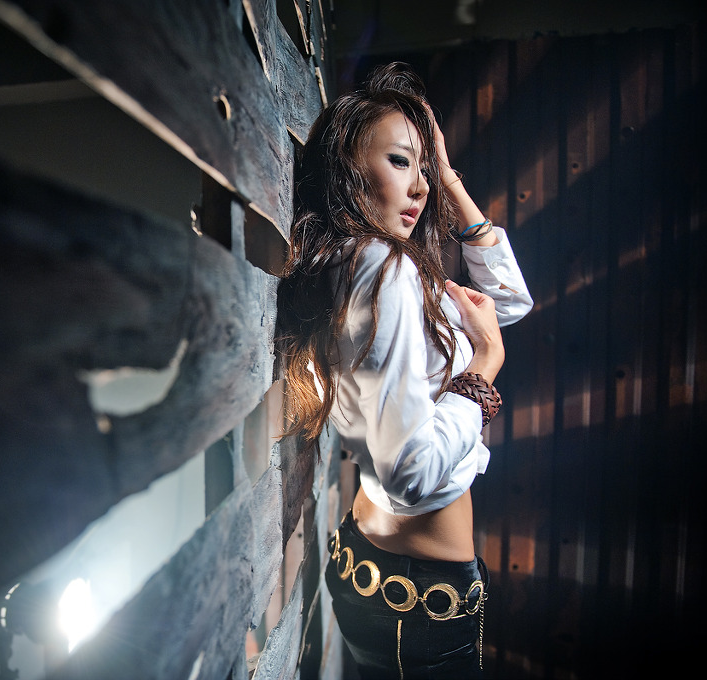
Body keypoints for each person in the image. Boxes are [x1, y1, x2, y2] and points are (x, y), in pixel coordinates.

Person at [275, 62, 533, 678]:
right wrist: (484, 371)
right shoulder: (383, 268)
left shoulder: (362, 259)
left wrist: (447, 175)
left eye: (425, 169)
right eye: (399, 162)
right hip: (417, 605)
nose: (420, 188)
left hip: (381, 575)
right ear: (347, 167)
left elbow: (508, 303)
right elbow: (408, 478)